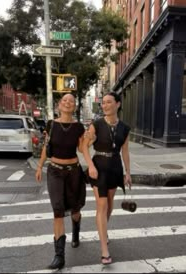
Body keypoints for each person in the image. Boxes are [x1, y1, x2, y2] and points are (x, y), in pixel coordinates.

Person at [35, 93, 85, 270]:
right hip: (55, 171)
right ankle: (59, 256)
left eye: (71, 101)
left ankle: (76, 228)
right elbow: (46, 147)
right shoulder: (51, 124)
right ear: (59, 105)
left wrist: (91, 139)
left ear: (75, 106)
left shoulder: (79, 127)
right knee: (58, 210)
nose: (67, 103)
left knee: (75, 210)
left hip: (74, 172)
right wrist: (40, 166)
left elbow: (82, 148)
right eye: (64, 100)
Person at [82, 92, 132, 265]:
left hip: (115, 167)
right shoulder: (96, 125)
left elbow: (125, 151)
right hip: (99, 168)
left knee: (109, 204)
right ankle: (104, 250)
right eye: (103, 103)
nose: (105, 105)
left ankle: (103, 230)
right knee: (102, 205)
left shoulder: (124, 128)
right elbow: (84, 147)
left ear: (118, 104)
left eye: (109, 102)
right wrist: (91, 166)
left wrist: (128, 172)